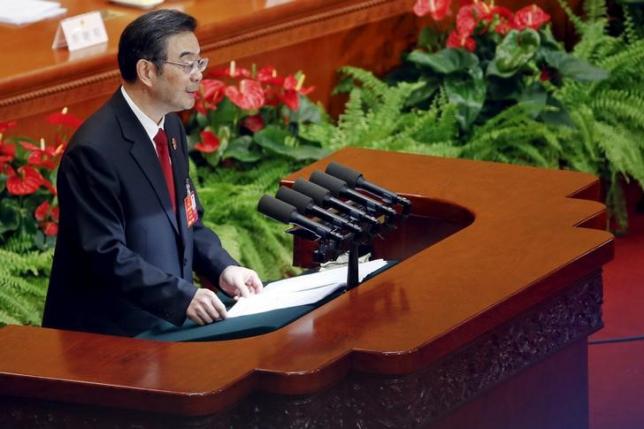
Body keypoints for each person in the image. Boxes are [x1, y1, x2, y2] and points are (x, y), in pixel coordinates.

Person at [42, 9, 263, 337]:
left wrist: (223, 268)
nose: (198, 75)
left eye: (200, 63)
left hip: (164, 325)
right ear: (146, 71)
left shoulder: (170, 125)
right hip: (108, 337)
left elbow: (189, 222)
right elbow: (105, 254)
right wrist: (181, 296)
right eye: (187, 64)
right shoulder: (93, 151)